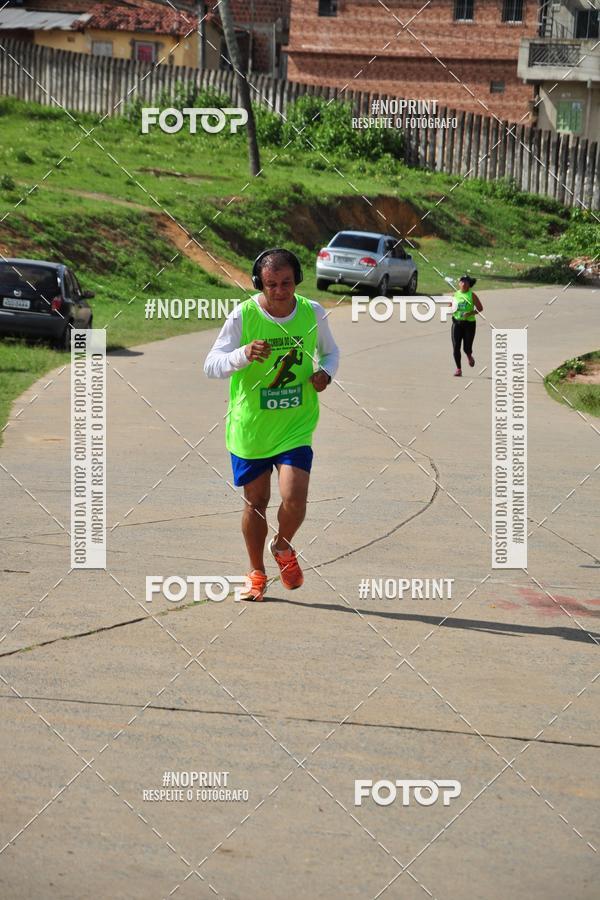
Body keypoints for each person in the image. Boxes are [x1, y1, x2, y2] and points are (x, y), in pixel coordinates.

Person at [204, 248, 340, 602]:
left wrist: (326, 372)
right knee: (256, 502)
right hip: (251, 427)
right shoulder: (243, 316)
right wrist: (243, 354)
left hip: (295, 423)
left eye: (286, 283)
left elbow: (330, 352)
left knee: (295, 498)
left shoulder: (312, 312)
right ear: (258, 284)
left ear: (297, 281)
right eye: (271, 285)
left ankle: (282, 546)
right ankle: (256, 572)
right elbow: (211, 364)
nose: (280, 291)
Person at [451, 275, 483, 376]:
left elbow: (480, 308)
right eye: (462, 281)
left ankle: (469, 355)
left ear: (469, 284)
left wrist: (469, 313)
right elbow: (450, 307)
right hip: (457, 323)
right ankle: (458, 369)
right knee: (456, 347)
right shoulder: (455, 295)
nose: (464, 284)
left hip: (469, 324)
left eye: (466, 282)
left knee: (466, 347)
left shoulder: (472, 295)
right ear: (459, 284)